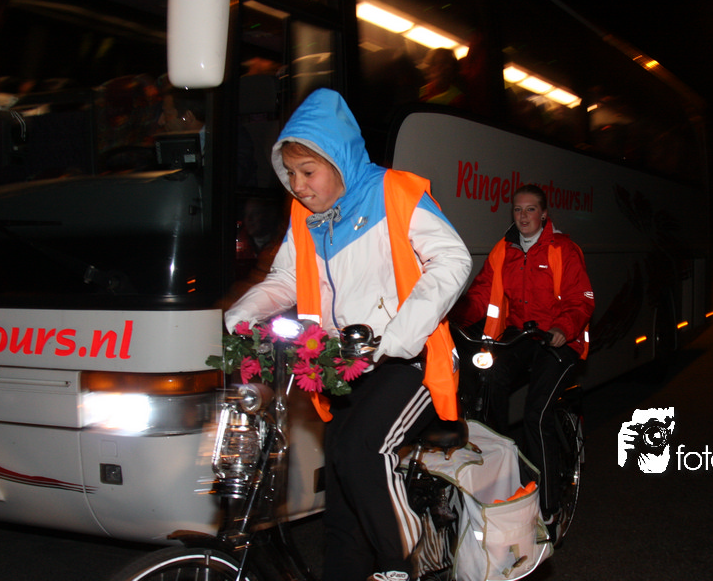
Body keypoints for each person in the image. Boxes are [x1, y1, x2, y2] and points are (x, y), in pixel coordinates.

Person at [224, 88, 472, 581]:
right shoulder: (305, 216)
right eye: (290, 173)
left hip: (408, 361)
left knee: (361, 451)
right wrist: (239, 316)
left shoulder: (394, 192)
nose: (297, 185)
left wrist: (398, 337)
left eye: (307, 172)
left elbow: (453, 259)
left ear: (338, 161)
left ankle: (402, 564)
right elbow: (287, 279)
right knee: (340, 487)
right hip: (343, 364)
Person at [450, 184, 594, 527]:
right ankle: (503, 466)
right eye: (518, 209)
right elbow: (482, 293)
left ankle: (548, 506)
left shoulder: (563, 249)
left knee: (536, 413)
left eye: (531, 209)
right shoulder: (505, 249)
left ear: (544, 214)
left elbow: (581, 299)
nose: (523, 215)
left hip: (559, 340)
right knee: (487, 385)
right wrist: (451, 317)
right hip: (521, 336)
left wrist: (563, 328)